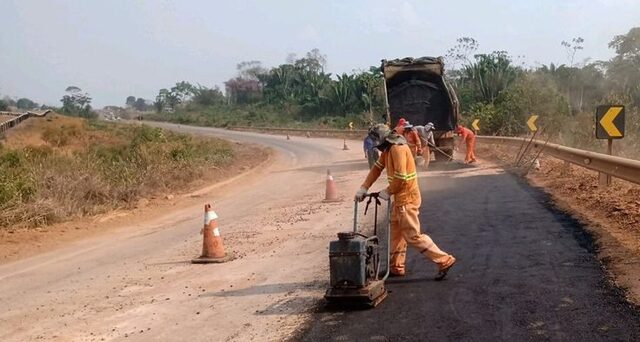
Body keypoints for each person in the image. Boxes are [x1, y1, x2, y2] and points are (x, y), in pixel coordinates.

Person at [355, 124, 456, 280]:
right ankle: (396, 266)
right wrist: (363, 187)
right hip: (399, 199)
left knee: (413, 236)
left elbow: (401, 177)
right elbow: (376, 168)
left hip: (407, 199)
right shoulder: (388, 150)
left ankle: (444, 260)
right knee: (396, 234)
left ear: (382, 139)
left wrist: (388, 191)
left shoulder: (398, 149)